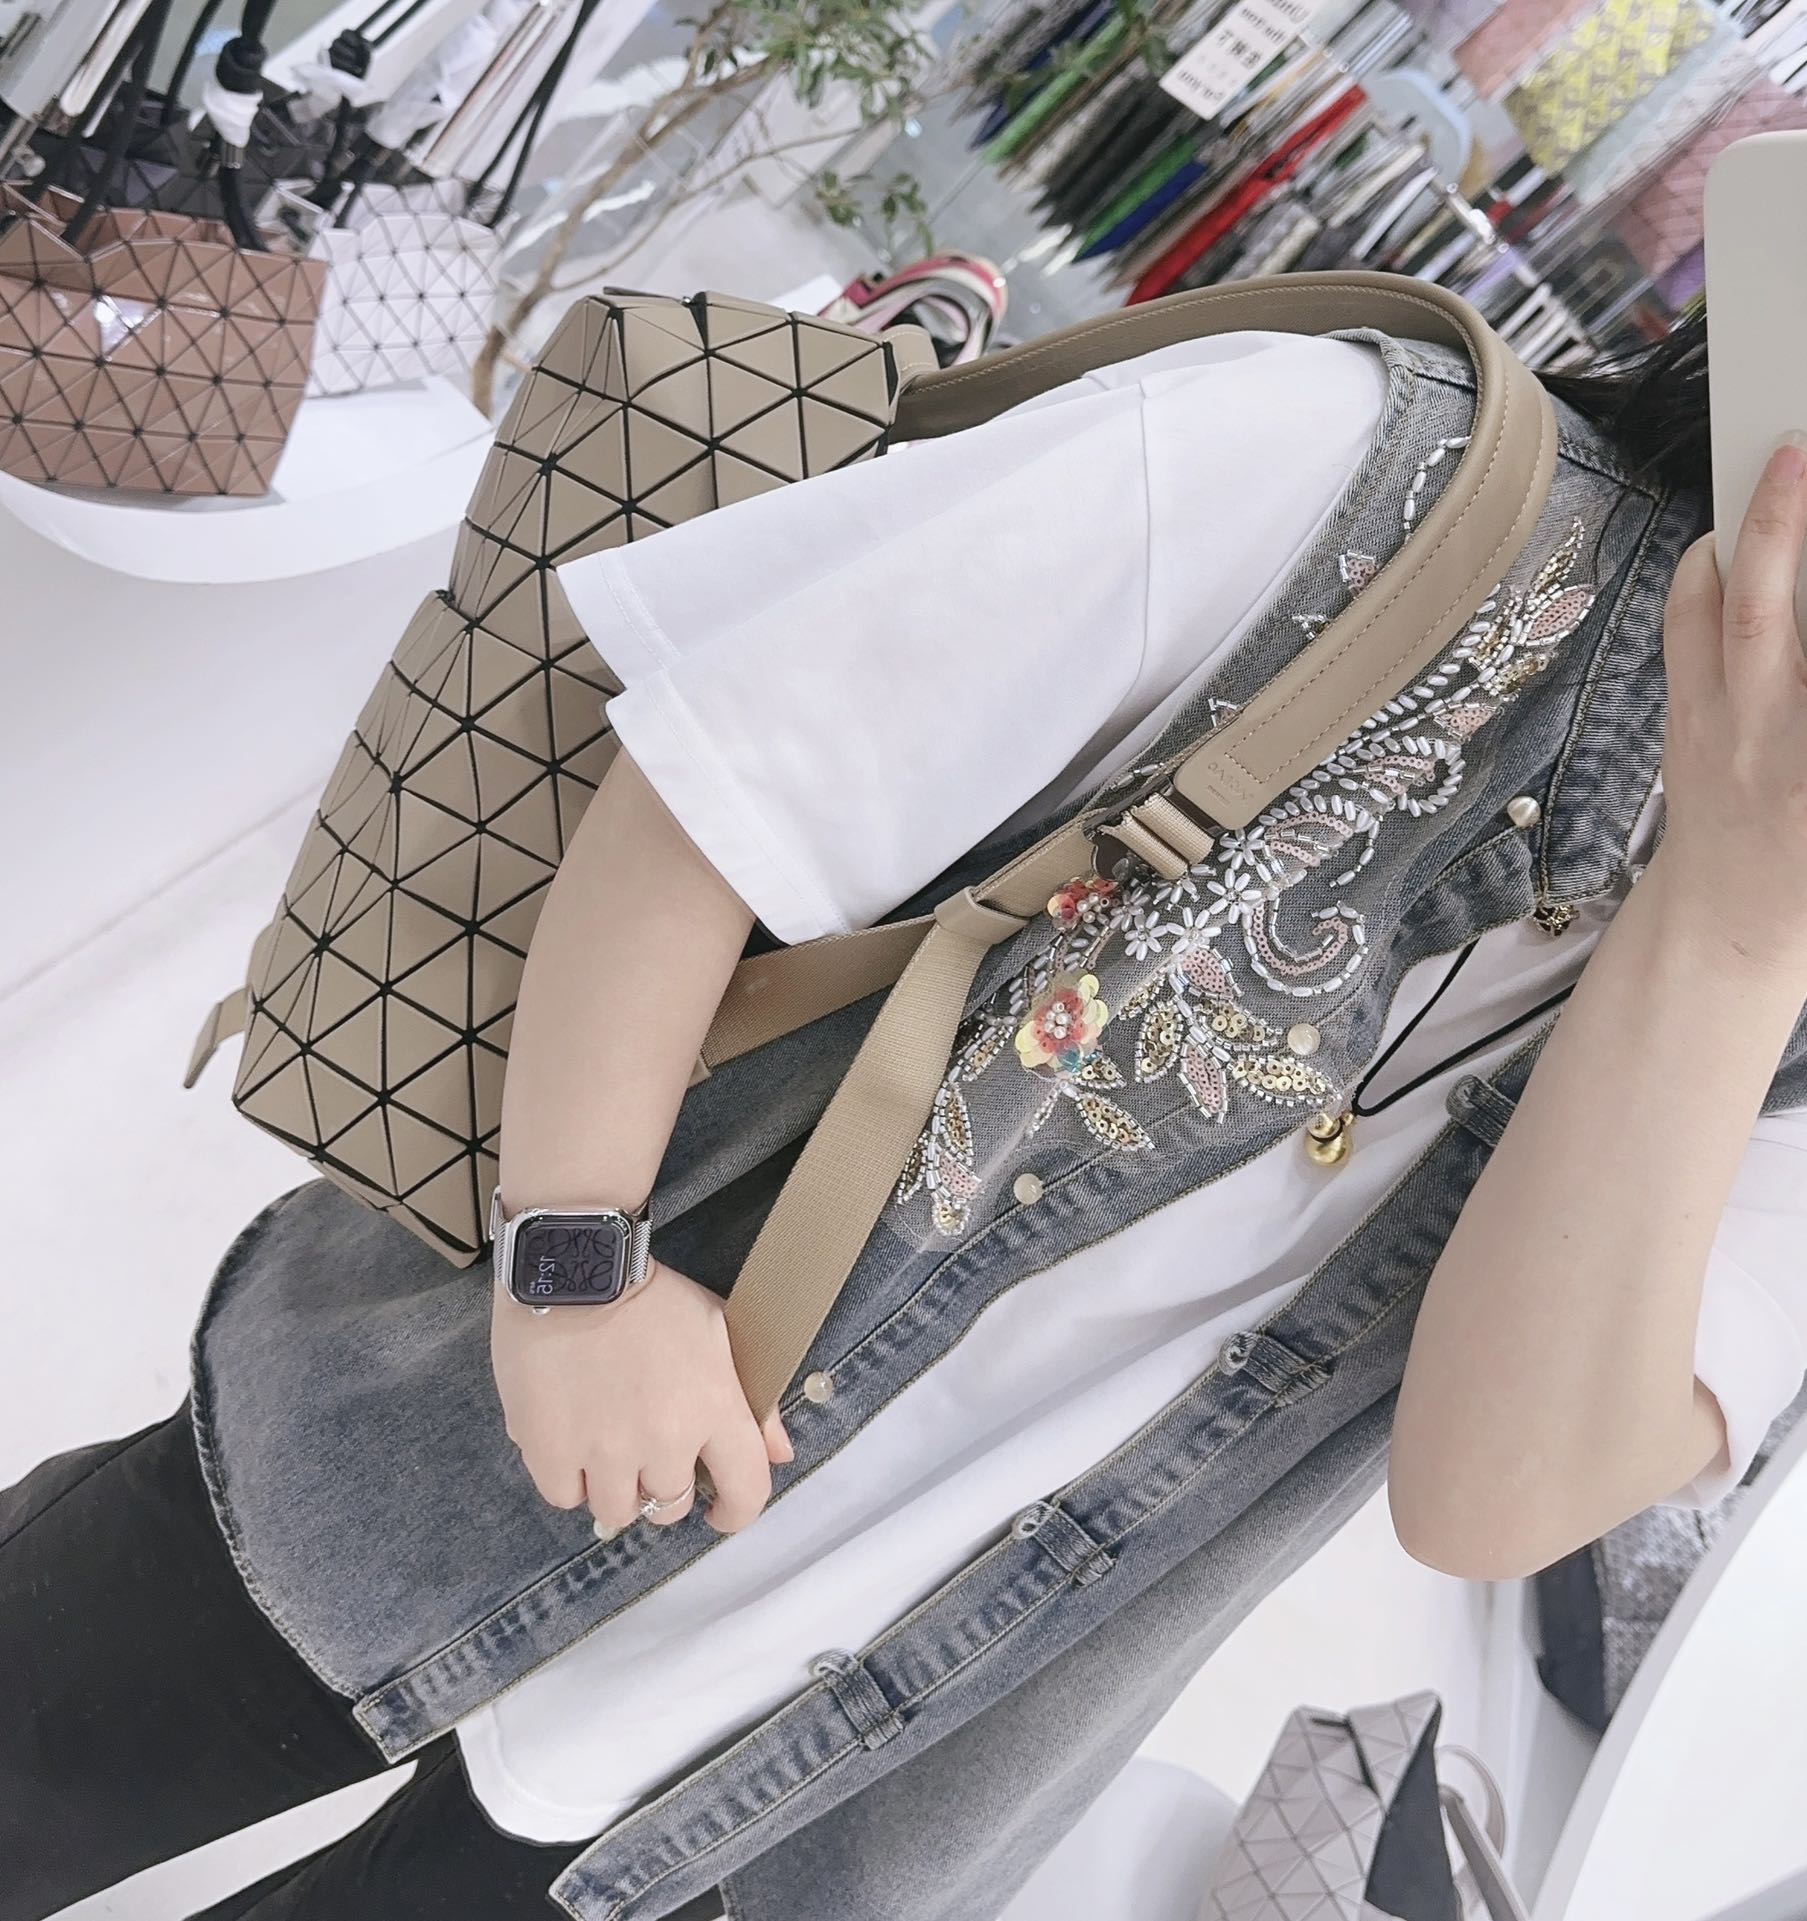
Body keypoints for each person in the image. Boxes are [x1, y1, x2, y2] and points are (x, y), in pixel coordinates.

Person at [4, 303, 1805, 1921]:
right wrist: (573, 1264)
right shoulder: (1371, 470)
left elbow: (1494, 1492)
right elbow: (717, 773)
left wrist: (1728, 934)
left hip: (817, 1788)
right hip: (452, 1436)